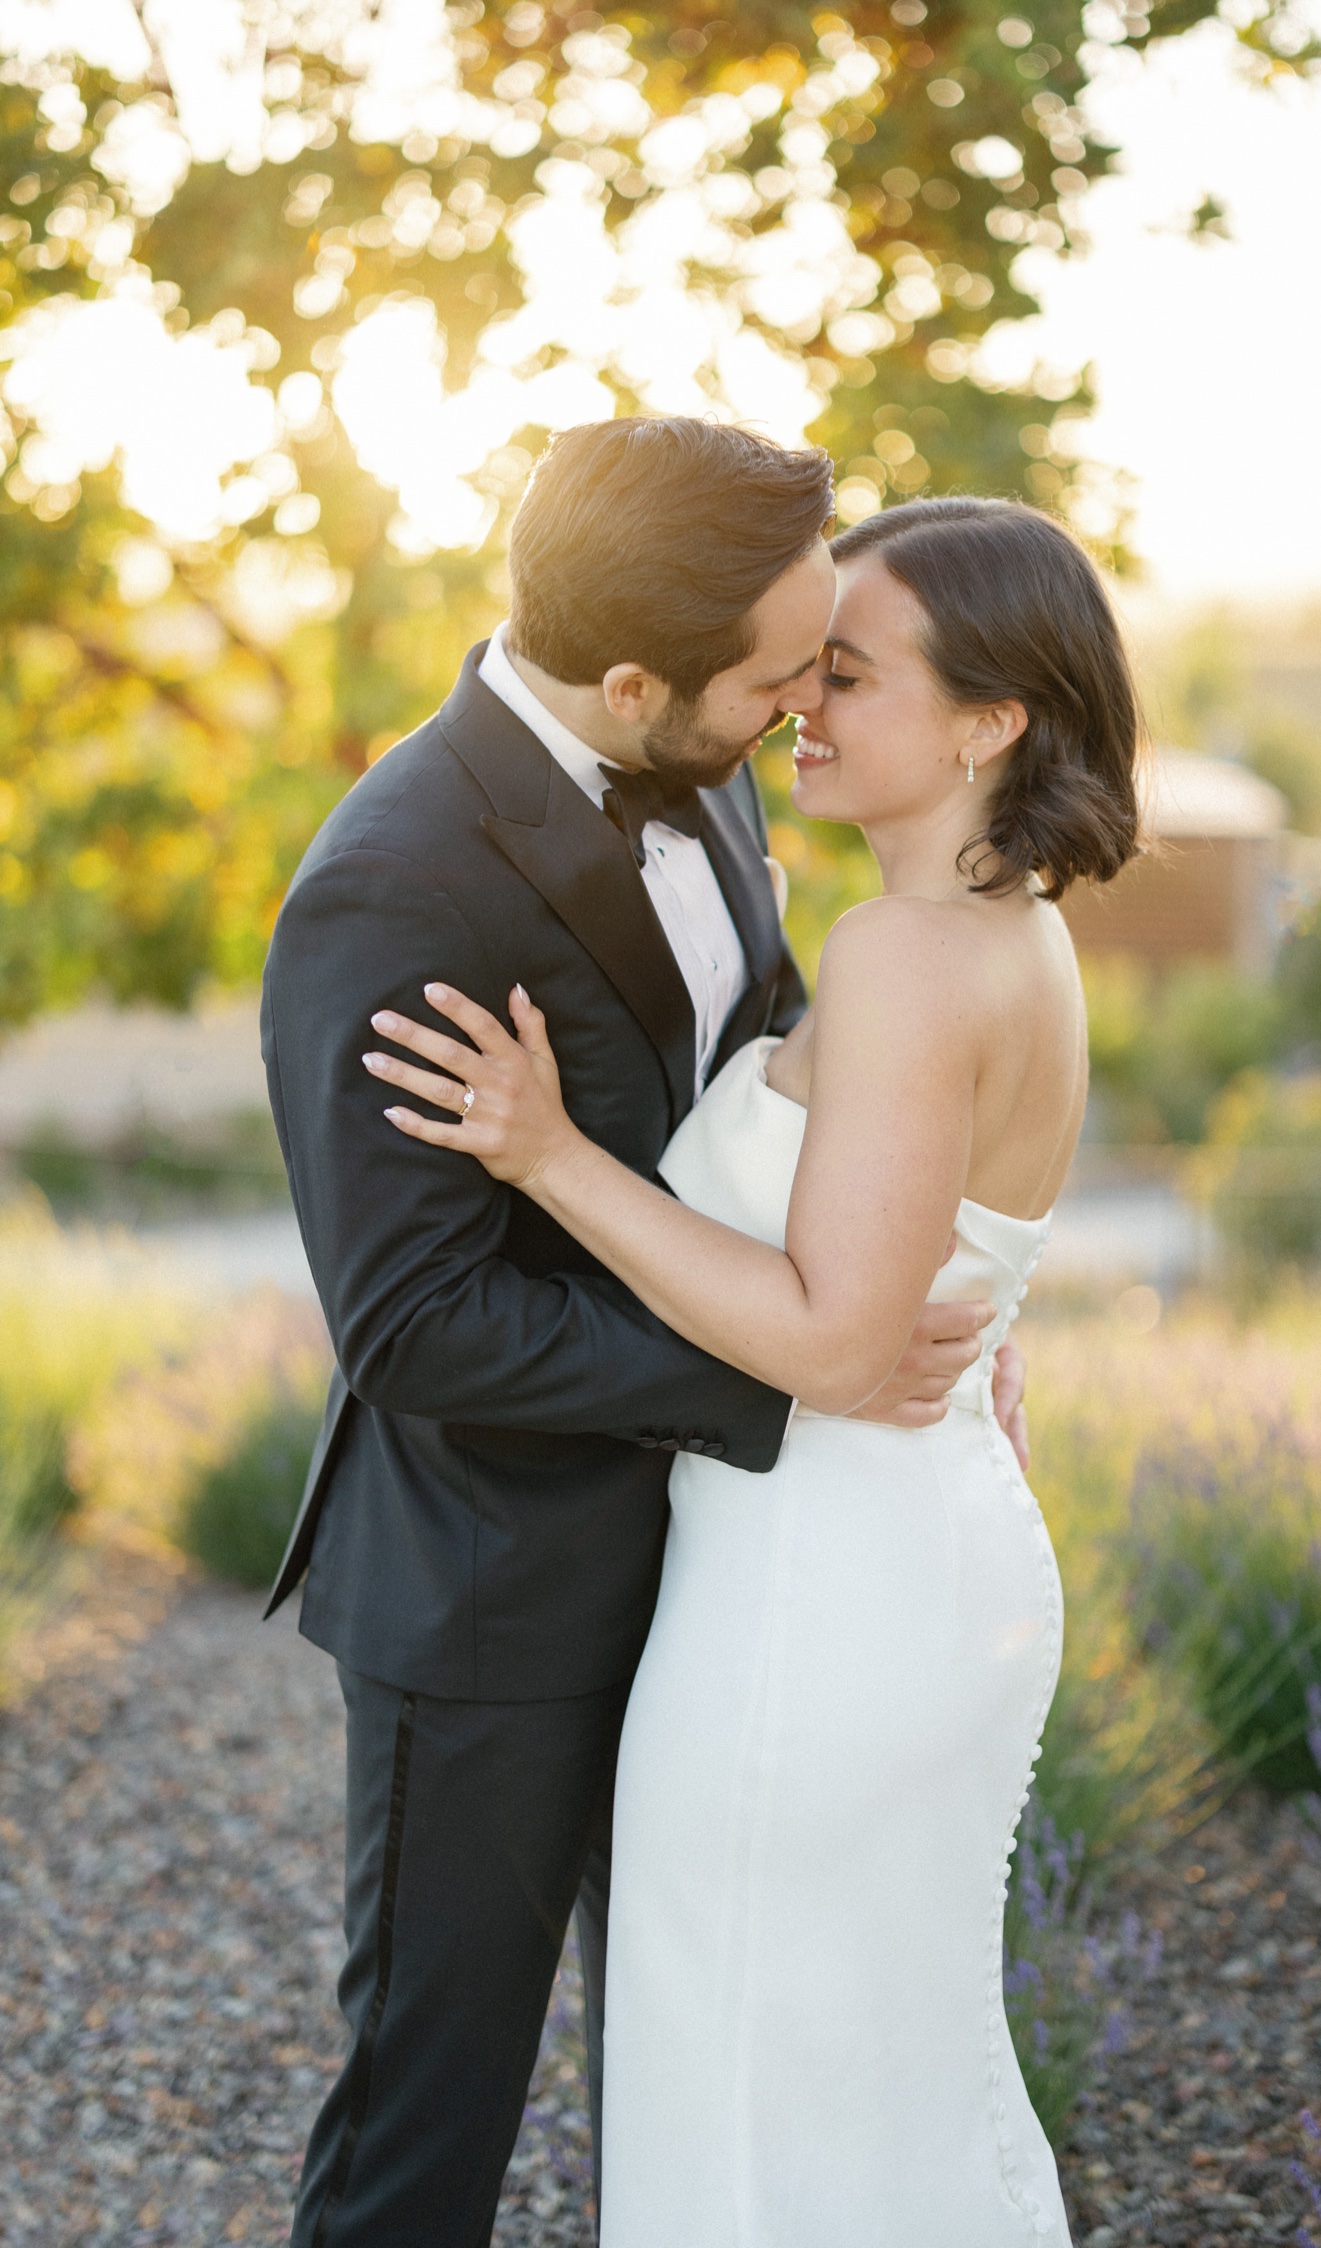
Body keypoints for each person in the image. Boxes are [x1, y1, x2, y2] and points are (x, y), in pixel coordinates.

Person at [261, 421, 1027, 2247]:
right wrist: (809, 1367)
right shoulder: (393, 884)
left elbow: (752, 1081)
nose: (803, 712)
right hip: (495, 1591)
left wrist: (904, 1279)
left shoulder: (713, 742)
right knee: (428, 2115)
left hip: (737, 1581)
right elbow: (415, 1322)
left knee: (694, 2064)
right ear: (630, 682)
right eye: (780, 681)